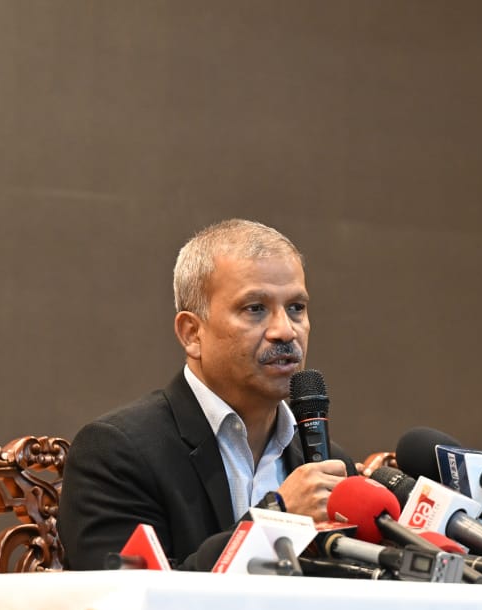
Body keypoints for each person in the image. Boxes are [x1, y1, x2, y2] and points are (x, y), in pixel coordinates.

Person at [59, 218, 350, 570]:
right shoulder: (118, 453)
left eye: (296, 308)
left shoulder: (327, 465)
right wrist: (276, 517)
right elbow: (131, 601)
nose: (285, 331)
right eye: (255, 308)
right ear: (192, 333)